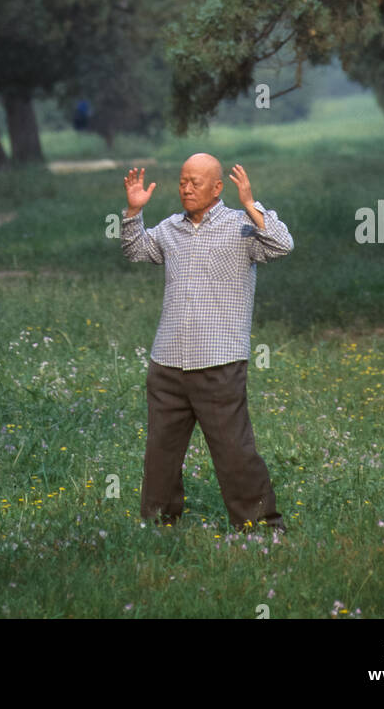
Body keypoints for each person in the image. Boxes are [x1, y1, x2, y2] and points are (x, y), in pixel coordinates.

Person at [121, 154, 294, 535]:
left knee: (234, 452)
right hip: (167, 362)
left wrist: (251, 204)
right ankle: (158, 526)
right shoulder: (169, 229)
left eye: (195, 182)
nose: (186, 188)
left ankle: (260, 529)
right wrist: (133, 213)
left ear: (218, 188)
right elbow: (137, 251)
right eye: (182, 181)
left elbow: (281, 245)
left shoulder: (242, 227)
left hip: (218, 362)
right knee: (161, 454)